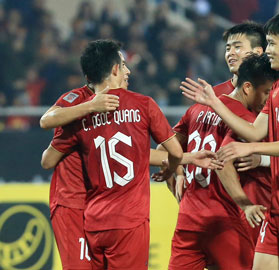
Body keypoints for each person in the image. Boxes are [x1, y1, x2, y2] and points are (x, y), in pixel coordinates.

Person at [181, 10, 279, 270]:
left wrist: (250, 149)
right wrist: (215, 102)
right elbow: (254, 130)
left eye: (272, 44)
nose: (268, 50)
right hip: (278, 200)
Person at [40, 39, 184, 270]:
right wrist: (90, 107)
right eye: (123, 65)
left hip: (96, 207)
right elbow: (46, 138)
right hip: (72, 202)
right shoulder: (78, 102)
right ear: (113, 68)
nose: (128, 71)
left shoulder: (124, 105)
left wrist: (184, 160)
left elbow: (134, 154)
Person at [167, 54, 279, 270]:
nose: (270, 99)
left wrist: (177, 171)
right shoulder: (245, 120)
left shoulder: (197, 109)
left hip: (188, 217)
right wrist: (244, 204)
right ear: (248, 88)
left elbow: (166, 149)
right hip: (223, 217)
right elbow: (223, 160)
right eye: (267, 92)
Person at [170, 21, 270, 204]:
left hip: (262, 201)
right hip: (219, 207)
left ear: (257, 52)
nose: (230, 53)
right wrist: (177, 173)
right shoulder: (210, 96)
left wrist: (263, 158)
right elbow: (169, 145)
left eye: (237, 47)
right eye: (228, 48)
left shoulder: (275, 93)